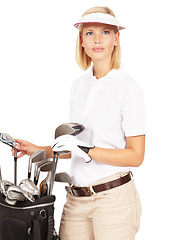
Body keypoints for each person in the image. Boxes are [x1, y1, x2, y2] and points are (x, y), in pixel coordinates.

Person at [13, 6, 146, 240]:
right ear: (81, 40)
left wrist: (85, 149)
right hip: (76, 200)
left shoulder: (129, 88)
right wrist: (40, 150)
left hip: (113, 199)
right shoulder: (79, 86)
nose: (97, 40)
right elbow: (74, 148)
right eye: (89, 33)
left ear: (116, 38)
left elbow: (136, 156)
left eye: (105, 32)